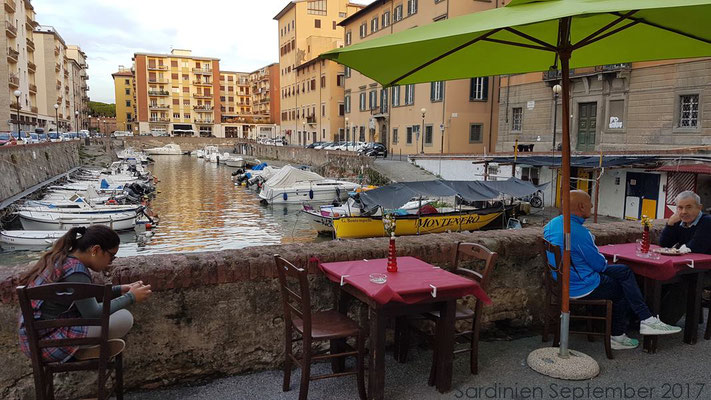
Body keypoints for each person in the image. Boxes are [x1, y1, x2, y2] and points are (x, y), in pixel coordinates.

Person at [544, 190, 681, 351]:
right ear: (581, 206)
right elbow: (600, 266)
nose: (593, 206)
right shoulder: (579, 232)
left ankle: (646, 319)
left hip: (562, 281)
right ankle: (620, 334)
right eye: (590, 203)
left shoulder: (552, 224)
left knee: (624, 271)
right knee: (622, 287)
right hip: (580, 286)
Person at [18, 225, 152, 363]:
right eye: (111, 257)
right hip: (48, 345)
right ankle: (75, 354)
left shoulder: (62, 260)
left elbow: (85, 297)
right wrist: (131, 297)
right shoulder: (76, 270)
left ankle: (81, 351)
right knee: (125, 317)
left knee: (115, 317)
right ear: (96, 250)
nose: (110, 263)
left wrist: (119, 289)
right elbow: (93, 314)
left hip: (35, 339)